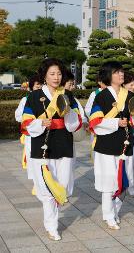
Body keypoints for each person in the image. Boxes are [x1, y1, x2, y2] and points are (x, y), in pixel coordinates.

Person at [21, 58, 82, 240]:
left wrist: (69, 113)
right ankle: (51, 225)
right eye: (52, 74)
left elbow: (76, 124)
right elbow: (26, 124)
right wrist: (41, 122)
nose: (56, 77)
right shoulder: (33, 97)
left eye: (59, 74)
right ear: (45, 76)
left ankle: (53, 216)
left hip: (63, 143)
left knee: (62, 186)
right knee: (47, 189)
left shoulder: (69, 96)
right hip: (42, 145)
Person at [89, 61, 134, 230]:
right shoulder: (101, 96)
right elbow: (95, 122)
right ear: (109, 76)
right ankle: (109, 215)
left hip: (125, 144)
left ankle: (115, 211)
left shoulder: (130, 95)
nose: (121, 74)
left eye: (122, 71)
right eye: (117, 72)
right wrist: (116, 122)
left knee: (123, 182)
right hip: (106, 144)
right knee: (109, 181)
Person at [15, 74, 42, 185]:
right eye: (37, 85)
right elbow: (19, 116)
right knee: (33, 158)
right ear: (31, 87)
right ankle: (36, 183)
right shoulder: (25, 99)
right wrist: (32, 120)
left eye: (41, 85)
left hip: (46, 132)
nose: (39, 87)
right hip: (31, 133)